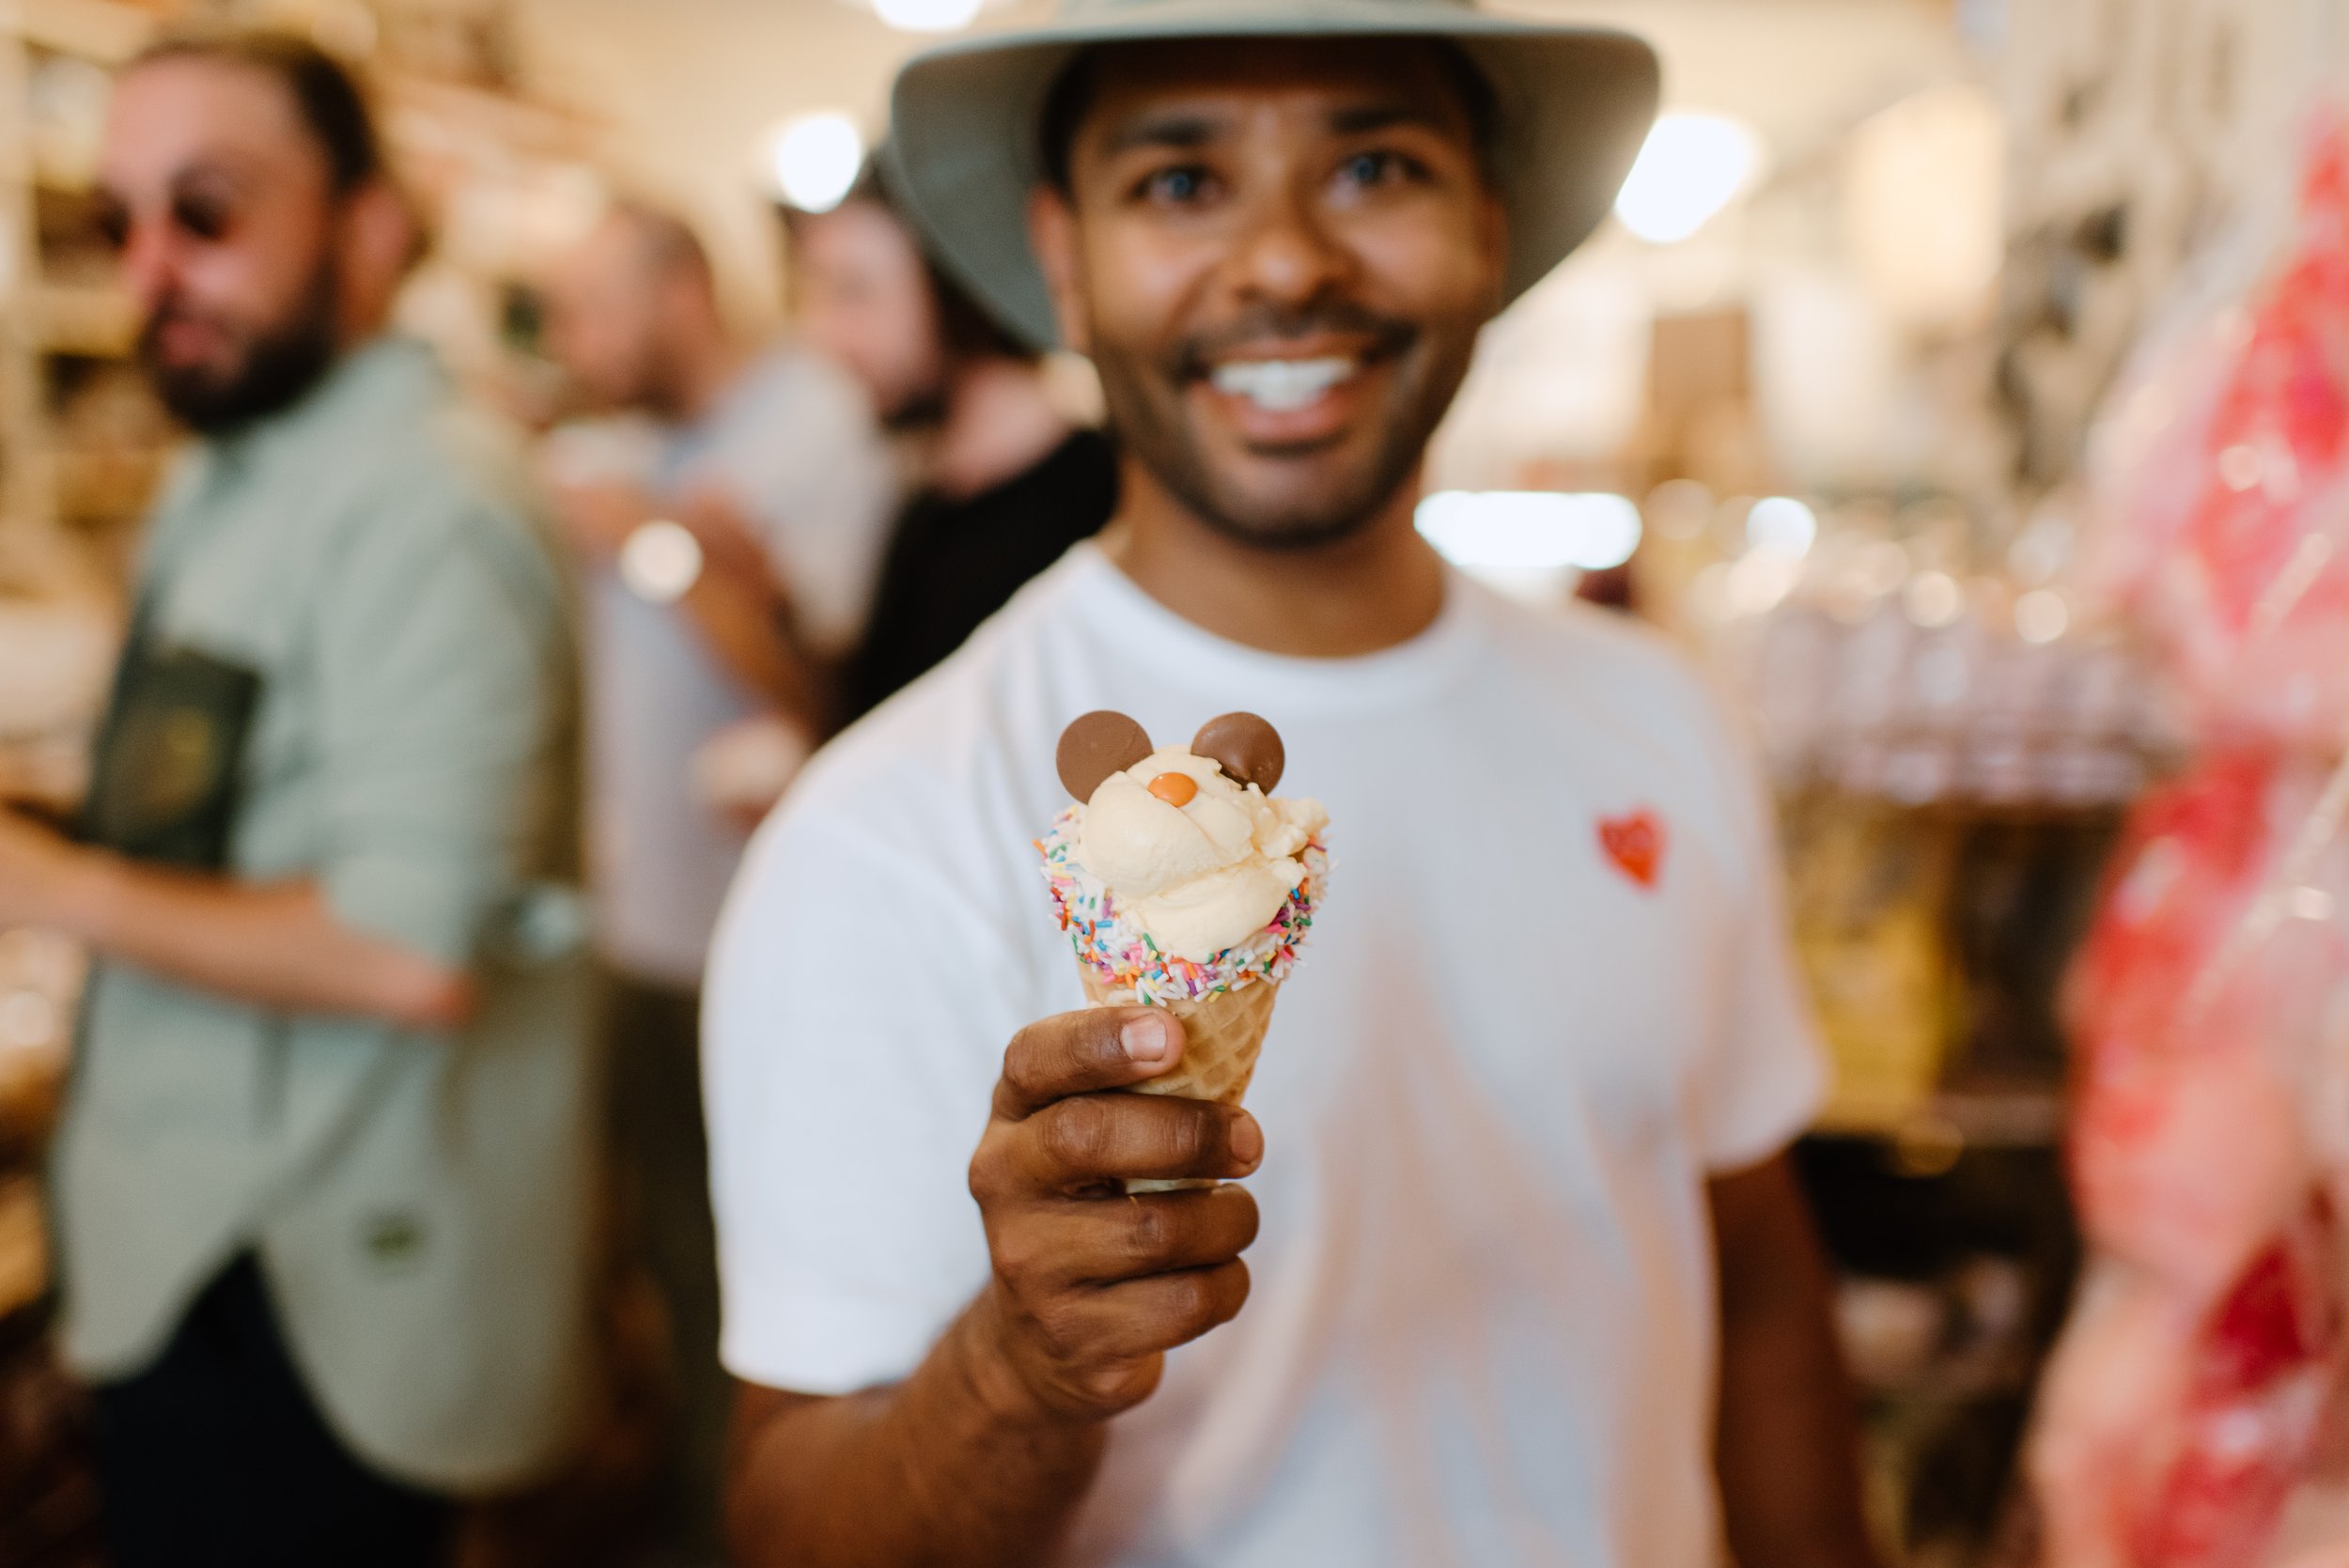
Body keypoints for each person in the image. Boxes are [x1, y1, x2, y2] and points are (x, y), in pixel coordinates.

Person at [706, 3, 1885, 1566]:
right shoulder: (888, 829)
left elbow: (1748, 1259)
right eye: (1181, 184)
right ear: (1062, 257)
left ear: (1487, 223)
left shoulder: (1654, 717)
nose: (1280, 264)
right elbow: (796, 1518)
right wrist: (1020, 1364)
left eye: (1374, 165)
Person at [0, 32, 594, 1567]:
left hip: (318, 1267)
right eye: (116, 221)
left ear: (370, 223)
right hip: (183, 1223)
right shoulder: (235, 460)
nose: (152, 268)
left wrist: (47, 882)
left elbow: (409, 952)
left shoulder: (435, 498)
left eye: (207, 212)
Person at [542, 201, 896, 1561]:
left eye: (593, 307)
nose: (573, 342)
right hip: (638, 927)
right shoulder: (629, 442)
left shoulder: (813, 427)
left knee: (766, 1306)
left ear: (678, 290)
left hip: (757, 947)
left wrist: (656, 543)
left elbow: (826, 683)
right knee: (671, 1283)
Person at [786, 163, 1117, 722]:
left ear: (955, 286)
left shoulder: (1107, 499)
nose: (824, 336)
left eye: (854, 292)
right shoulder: (922, 506)